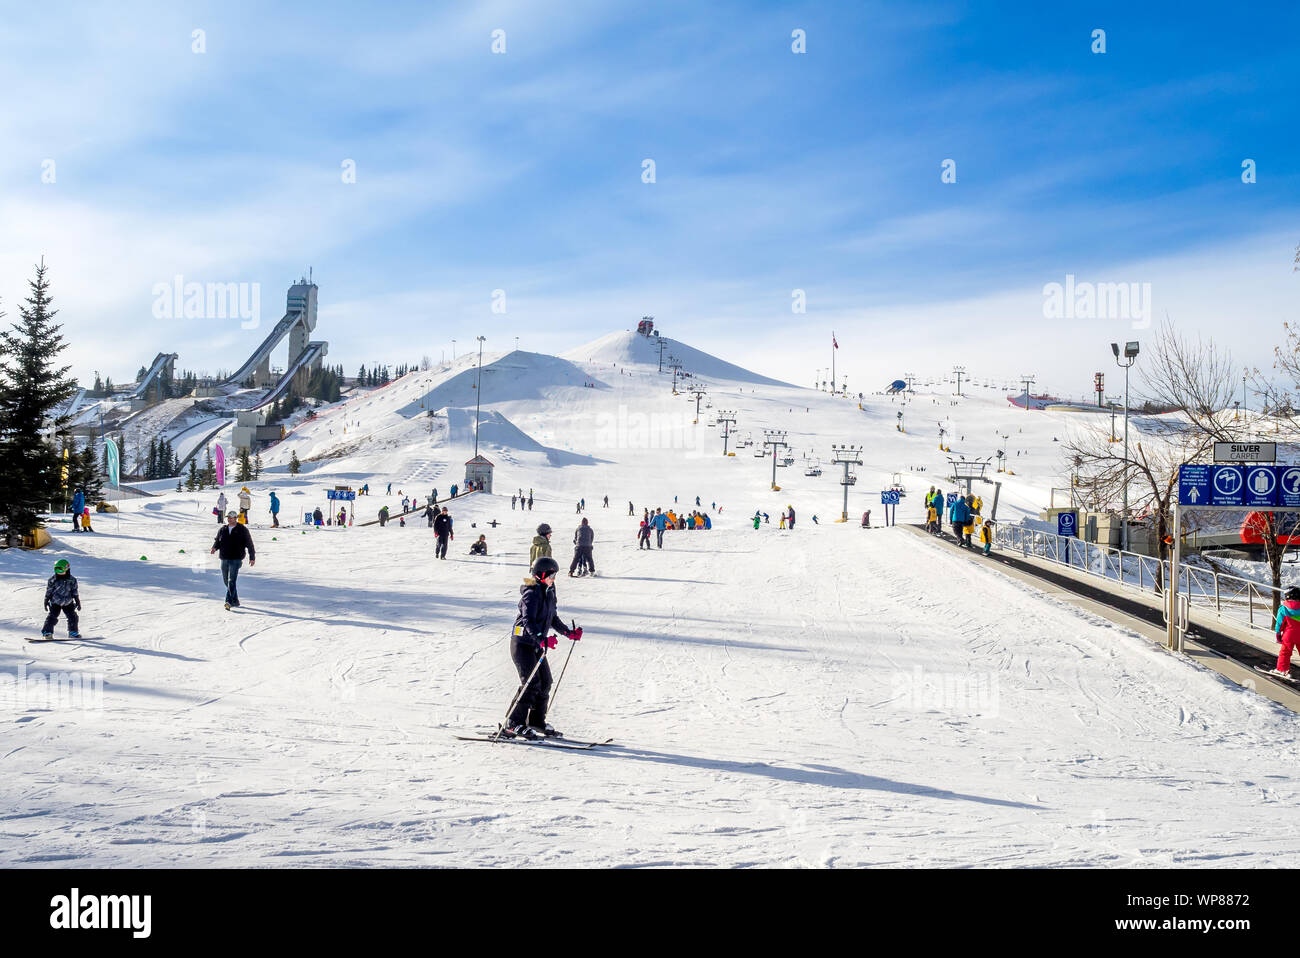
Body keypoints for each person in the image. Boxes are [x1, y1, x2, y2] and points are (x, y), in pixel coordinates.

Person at [501, 556, 582, 739]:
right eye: (552, 575)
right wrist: (541, 639)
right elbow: (528, 622)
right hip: (522, 645)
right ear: (541, 574)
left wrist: (568, 633)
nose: (554, 579)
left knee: (545, 682)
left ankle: (536, 721)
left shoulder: (549, 592)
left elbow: (552, 618)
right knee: (531, 683)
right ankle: (513, 723)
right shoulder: (531, 594)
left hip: (536, 645)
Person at [211, 511, 255, 610]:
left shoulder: (242, 530)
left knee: (231, 580)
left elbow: (249, 544)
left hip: (236, 558)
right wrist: (214, 548)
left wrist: (252, 557)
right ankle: (235, 600)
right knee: (226, 580)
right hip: (224, 558)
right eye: (229, 518)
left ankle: (228, 601)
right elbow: (218, 541)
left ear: (236, 518)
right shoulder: (223, 529)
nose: (230, 519)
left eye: (232, 518)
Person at [41, 558, 82, 638]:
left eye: (60, 570)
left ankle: (73, 632)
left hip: (68, 602)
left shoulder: (72, 580)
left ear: (67, 569)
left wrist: (77, 601)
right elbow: (49, 591)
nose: (58, 573)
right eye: (56, 570)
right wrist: (46, 600)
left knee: (73, 617)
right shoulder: (53, 580)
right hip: (55, 602)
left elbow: (74, 591)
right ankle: (47, 633)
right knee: (52, 617)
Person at [1269, 586, 1300, 680]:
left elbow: (1280, 622)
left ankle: (1282, 669)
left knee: (1285, 652)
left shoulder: (1284, 608)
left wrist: (1278, 633)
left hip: (1289, 635)